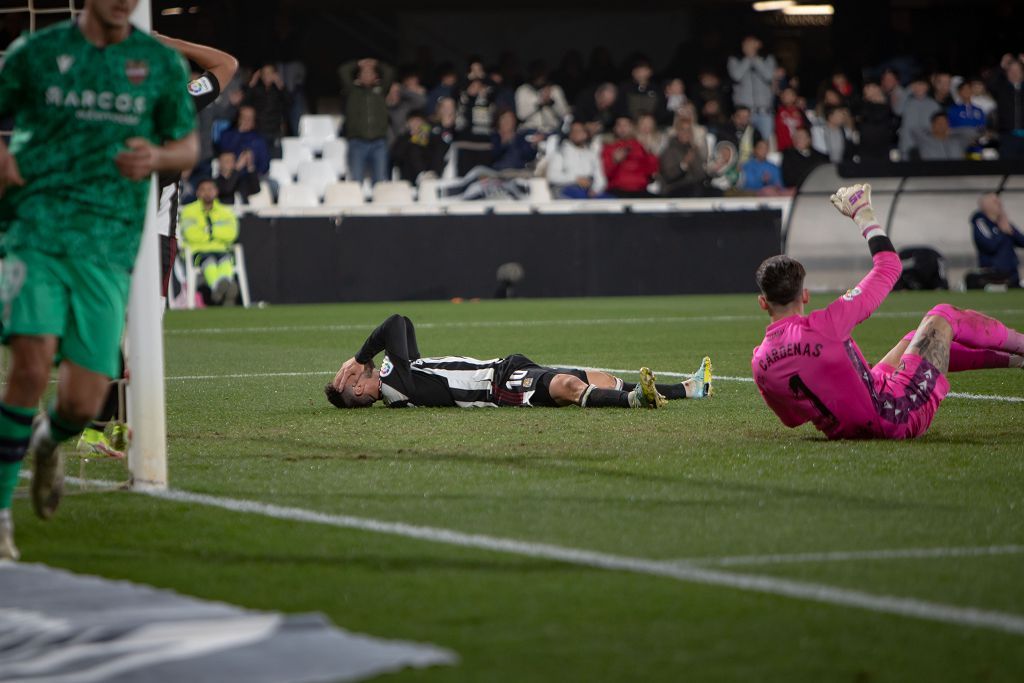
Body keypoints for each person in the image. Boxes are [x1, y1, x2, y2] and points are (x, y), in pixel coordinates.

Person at [0, 0, 198, 559]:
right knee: (32, 364)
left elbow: (186, 144)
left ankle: (47, 440)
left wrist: (158, 155)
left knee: (85, 402)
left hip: (108, 244)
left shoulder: (158, 65)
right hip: (35, 228)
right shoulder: (36, 52)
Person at [752, 184, 1024, 441]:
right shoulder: (827, 323)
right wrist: (862, 214)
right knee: (943, 315)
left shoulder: (760, 362)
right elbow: (889, 267)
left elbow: (792, 419)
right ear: (805, 295)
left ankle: (1016, 361)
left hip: (849, 426)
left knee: (913, 340)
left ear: (763, 302)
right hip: (895, 416)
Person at [327, 315, 713, 410]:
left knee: (603, 379)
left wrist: (362, 359)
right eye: (348, 377)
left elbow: (402, 324)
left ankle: (689, 389)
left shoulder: (399, 371)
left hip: (506, 366)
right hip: (501, 386)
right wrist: (361, 357)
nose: (352, 370)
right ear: (359, 388)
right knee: (566, 386)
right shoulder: (400, 386)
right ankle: (636, 402)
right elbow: (394, 324)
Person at [179, 179, 240, 305]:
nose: (207, 193)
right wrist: (216, 233)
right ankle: (222, 288)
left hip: (221, 249)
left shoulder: (225, 211)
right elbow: (191, 234)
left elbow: (232, 233)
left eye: (210, 189)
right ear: (198, 193)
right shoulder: (188, 211)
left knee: (226, 260)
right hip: (198, 251)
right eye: (203, 190)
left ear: (216, 192)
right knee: (209, 260)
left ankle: (221, 289)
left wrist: (209, 231)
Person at [339, 57, 394, 184]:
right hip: (357, 143)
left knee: (380, 181)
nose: (367, 75)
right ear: (358, 77)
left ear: (376, 76)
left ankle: (380, 204)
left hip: (379, 143)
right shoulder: (352, 91)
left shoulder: (381, 90)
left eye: (371, 73)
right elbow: (343, 71)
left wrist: (377, 63)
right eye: (364, 73)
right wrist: (358, 63)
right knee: (356, 180)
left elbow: (390, 72)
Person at [727, 36, 777, 141]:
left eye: (752, 43)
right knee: (743, 142)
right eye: (746, 43)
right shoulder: (734, 59)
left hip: (764, 112)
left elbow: (768, 75)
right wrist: (748, 58)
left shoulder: (768, 58)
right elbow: (736, 75)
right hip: (744, 113)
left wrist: (754, 58)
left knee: (764, 143)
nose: (749, 46)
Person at [971, 192, 1024, 287]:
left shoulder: (1004, 223)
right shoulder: (980, 222)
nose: (1000, 204)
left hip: (1012, 273)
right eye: (995, 202)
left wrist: (1011, 231)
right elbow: (989, 245)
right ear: (985, 205)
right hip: (992, 274)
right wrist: (1002, 231)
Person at [546, 120, 609, 199]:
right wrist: (576, 179)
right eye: (574, 131)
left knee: (611, 201)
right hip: (566, 189)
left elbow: (600, 178)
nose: (577, 134)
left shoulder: (592, 154)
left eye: (580, 131)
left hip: (589, 190)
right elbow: (552, 177)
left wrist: (595, 190)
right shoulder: (560, 152)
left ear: (586, 134)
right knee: (580, 197)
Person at [602, 116, 659, 198]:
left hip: (640, 190)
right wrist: (614, 161)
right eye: (619, 125)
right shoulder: (608, 148)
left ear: (632, 128)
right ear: (615, 128)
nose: (622, 129)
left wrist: (649, 152)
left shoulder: (641, 146)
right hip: (617, 191)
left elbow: (652, 172)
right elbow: (604, 175)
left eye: (626, 125)